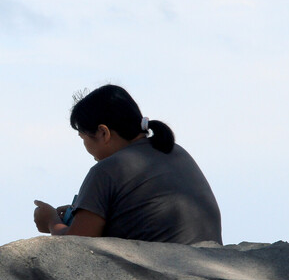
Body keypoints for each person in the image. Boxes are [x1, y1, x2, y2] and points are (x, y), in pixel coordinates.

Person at [33, 84, 222, 245]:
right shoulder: (175, 151)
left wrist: (51, 221)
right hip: (207, 261)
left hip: (164, 277)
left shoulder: (107, 170)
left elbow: (75, 247)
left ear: (103, 133)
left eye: (83, 137)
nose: (85, 146)